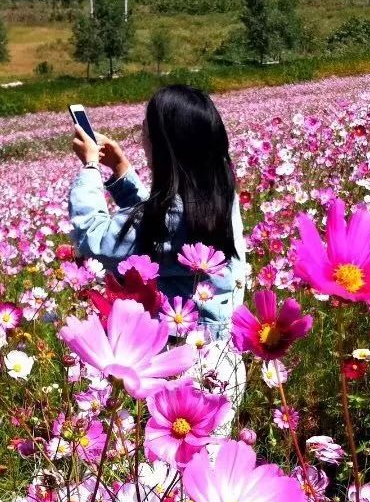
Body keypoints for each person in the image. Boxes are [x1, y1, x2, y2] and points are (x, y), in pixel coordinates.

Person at [68, 84, 247, 404]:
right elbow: (156, 230)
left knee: (176, 454)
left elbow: (92, 241)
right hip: (223, 363)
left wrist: (91, 168)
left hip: (180, 367)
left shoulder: (170, 216)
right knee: (212, 453)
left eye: (145, 132)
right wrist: (122, 173)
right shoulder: (219, 190)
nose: (141, 141)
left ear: (163, 147)